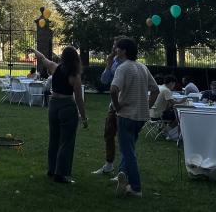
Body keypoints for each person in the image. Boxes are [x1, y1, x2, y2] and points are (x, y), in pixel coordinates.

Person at [110, 37, 159, 197]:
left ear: (124, 50)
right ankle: (123, 173)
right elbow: (155, 89)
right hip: (141, 117)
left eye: (117, 48)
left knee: (128, 152)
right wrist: (148, 105)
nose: (115, 50)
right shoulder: (142, 67)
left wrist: (117, 106)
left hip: (126, 116)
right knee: (129, 148)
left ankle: (136, 187)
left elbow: (113, 89)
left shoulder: (123, 68)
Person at [32, 46, 88, 184]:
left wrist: (34, 50)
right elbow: (79, 99)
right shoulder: (74, 76)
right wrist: (84, 118)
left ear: (63, 57)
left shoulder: (54, 68)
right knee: (66, 142)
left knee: (54, 139)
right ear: (75, 59)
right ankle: (60, 174)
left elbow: (42, 58)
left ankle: (51, 169)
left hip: (53, 106)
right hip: (67, 107)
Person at [92, 38, 122, 176]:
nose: (113, 48)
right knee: (109, 133)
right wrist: (108, 65)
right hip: (113, 104)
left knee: (124, 138)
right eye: (113, 45)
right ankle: (109, 165)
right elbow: (104, 80)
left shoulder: (128, 64)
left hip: (125, 104)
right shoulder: (114, 61)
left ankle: (124, 171)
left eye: (115, 46)